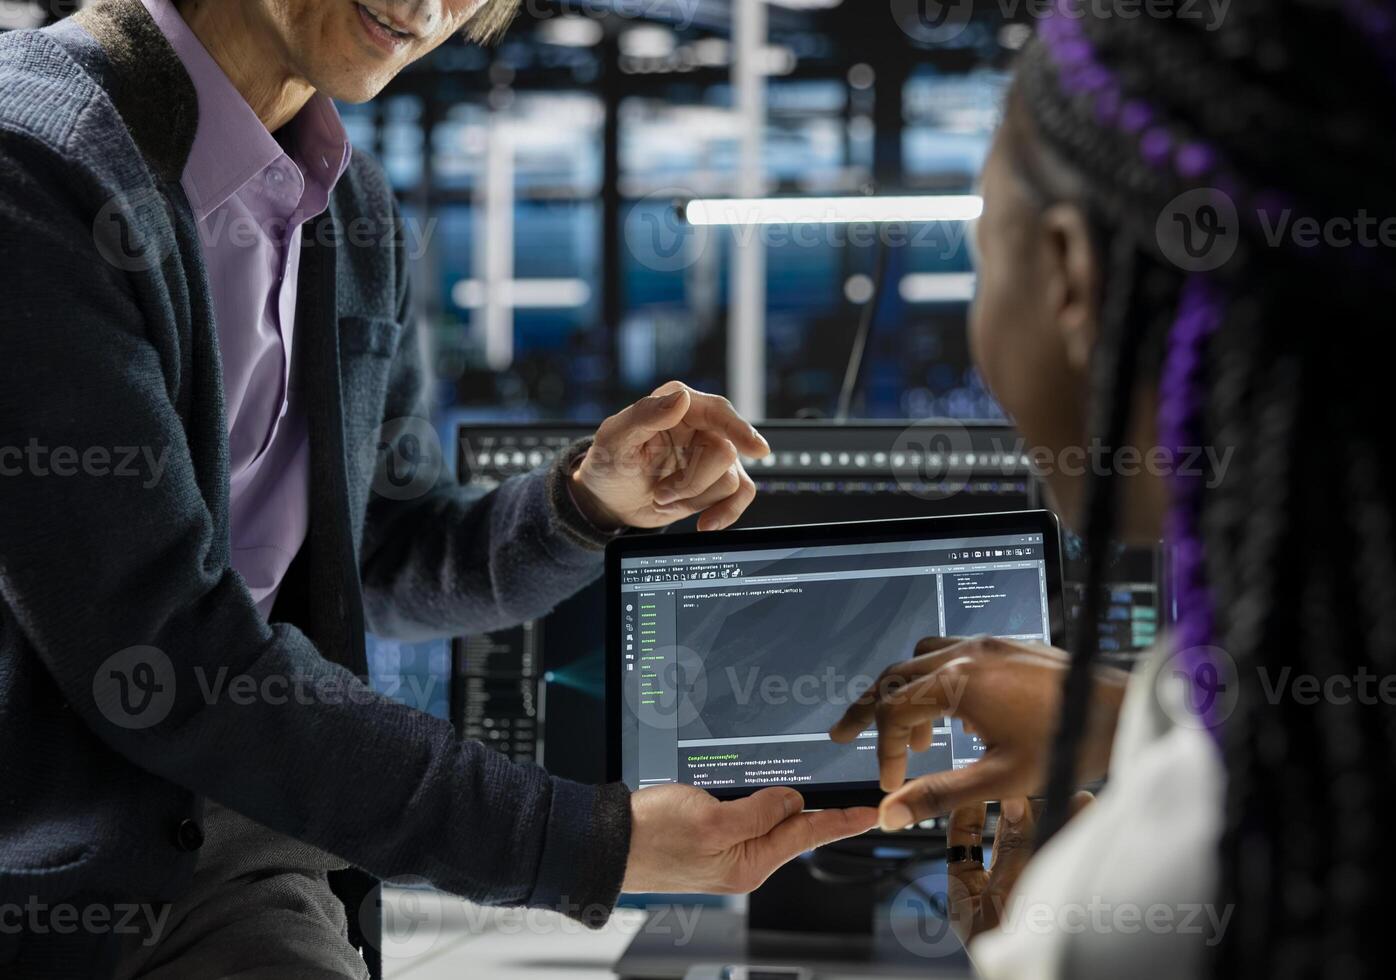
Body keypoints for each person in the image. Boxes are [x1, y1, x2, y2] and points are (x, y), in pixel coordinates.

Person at [0, 1, 876, 975]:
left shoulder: (350, 208)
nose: (424, 11)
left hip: (239, 848)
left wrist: (586, 503)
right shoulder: (34, 166)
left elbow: (385, 552)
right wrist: (585, 840)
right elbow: (164, 656)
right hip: (43, 874)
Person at [833, 0, 1396, 976]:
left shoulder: (1155, 899)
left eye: (981, 258)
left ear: (1071, 276)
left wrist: (1024, 933)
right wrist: (1132, 715)